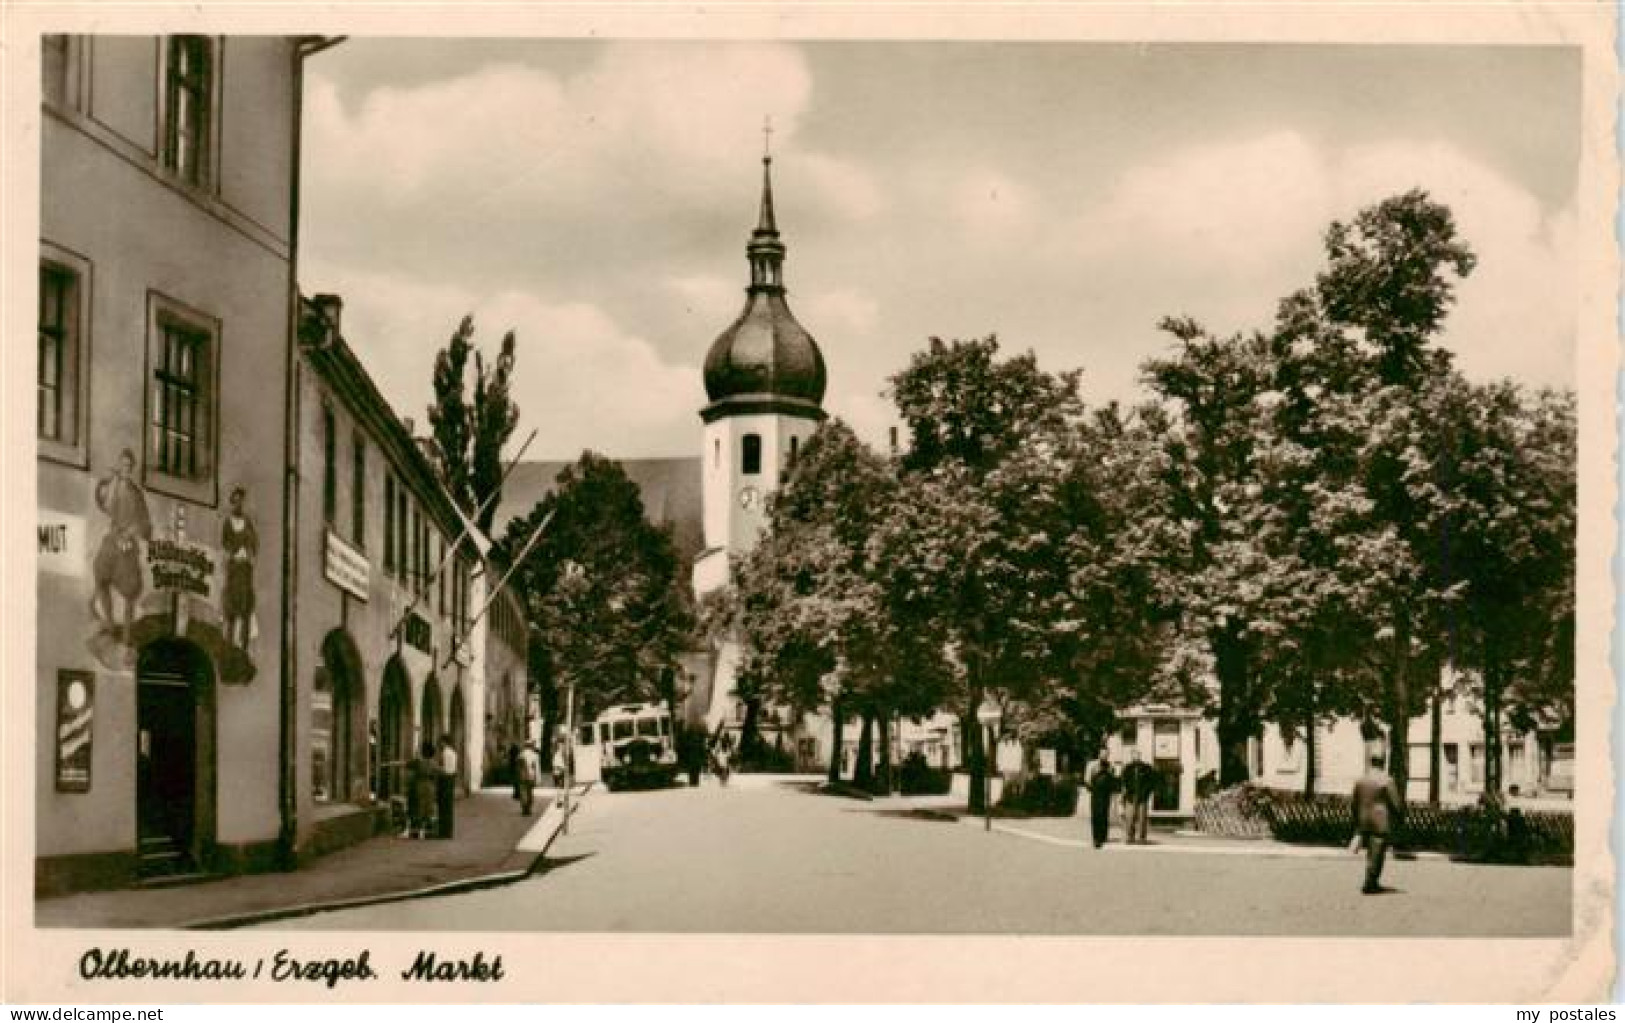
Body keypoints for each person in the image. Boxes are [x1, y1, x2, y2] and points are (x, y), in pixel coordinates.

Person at [90, 448, 151, 645]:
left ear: (131, 468)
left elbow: (145, 525)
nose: (124, 468)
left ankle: (126, 636)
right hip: (113, 539)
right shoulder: (114, 486)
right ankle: (108, 623)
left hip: (128, 544)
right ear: (119, 464)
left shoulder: (136, 494)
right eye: (122, 464)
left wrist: (132, 532)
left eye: (128, 465)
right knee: (100, 574)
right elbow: (105, 506)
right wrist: (111, 483)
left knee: (130, 591)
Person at [1350, 751, 1402, 893]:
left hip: (1364, 819)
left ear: (1371, 762)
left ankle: (1370, 879)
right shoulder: (1387, 780)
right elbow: (1396, 803)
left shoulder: (1361, 780)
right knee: (1377, 852)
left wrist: (1356, 821)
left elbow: (1354, 803)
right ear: (1383, 762)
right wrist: (1398, 817)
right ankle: (1370, 882)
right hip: (1380, 820)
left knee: (1371, 852)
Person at [220, 486, 258, 650]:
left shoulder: (248, 522)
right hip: (234, 568)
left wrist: (248, 552)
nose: (238, 504)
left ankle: (244, 646)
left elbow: (254, 542)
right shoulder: (228, 522)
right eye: (235, 501)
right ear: (232, 503)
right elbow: (225, 542)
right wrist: (234, 552)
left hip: (245, 569)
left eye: (240, 501)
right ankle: (229, 644)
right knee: (231, 607)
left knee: (246, 607)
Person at [1118, 748, 1157, 845]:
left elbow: (1152, 782)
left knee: (1142, 818)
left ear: (1140, 756)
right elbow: (1123, 782)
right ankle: (1130, 837)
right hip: (1130, 796)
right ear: (1132, 756)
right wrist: (1123, 795)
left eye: (1138, 755)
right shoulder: (1127, 768)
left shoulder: (1147, 768)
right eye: (1134, 755)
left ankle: (1142, 838)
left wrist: (1146, 793)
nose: (1136, 757)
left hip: (1142, 797)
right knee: (1130, 817)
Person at [1083, 748, 1118, 849]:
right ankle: (1096, 839)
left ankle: (1103, 836)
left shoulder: (1110, 766)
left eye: (1107, 754)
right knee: (1096, 815)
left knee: (1105, 814)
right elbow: (1087, 779)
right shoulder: (1092, 764)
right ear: (1099, 754)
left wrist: (1113, 789)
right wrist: (1092, 789)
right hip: (1096, 793)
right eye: (1103, 754)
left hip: (1106, 794)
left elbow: (1113, 778)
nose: (1105, 756)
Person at [405, 740, 438, 839]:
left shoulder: (418, 761)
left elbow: (407, 765)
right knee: (429, 809)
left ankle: (415, 832)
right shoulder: (434, 763)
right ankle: (429, 832)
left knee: (418, 808)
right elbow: (437, 773)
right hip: (430, 786)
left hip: (420, 785)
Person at [436, 735, 458, 839]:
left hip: (445, 780)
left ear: (444, 742)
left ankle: (443, 832)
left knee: (444, 806)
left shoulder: (445, 753)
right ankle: (447, 831)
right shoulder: (453, 752)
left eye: (440, 742)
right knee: (448, 807)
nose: (439, 744)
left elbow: (445, 770)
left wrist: (436, 768)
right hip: (451, 779)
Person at [516, 741, 541, 816]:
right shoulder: (535, 755)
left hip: (522, 776)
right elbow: (537, 768)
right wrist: (538, 779)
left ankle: (524, 808)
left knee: (523, 791)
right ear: (531, 746)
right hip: (531, 776)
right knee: (530, 792)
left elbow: (517, 766)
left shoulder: (521, 754)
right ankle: (528, 808)